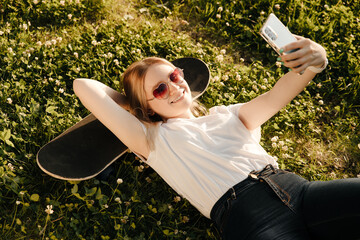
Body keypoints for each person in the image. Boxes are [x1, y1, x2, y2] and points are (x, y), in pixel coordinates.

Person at [73, 35, 360, 240]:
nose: (174, 88)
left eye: (173, 76)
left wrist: (315, 62)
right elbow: (84, 87)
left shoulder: (228, 115)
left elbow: (276, 97)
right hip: (248, 216)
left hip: (298, 190)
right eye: (159, 90)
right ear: (147, 108)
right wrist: (133, 106)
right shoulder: (152, 139)